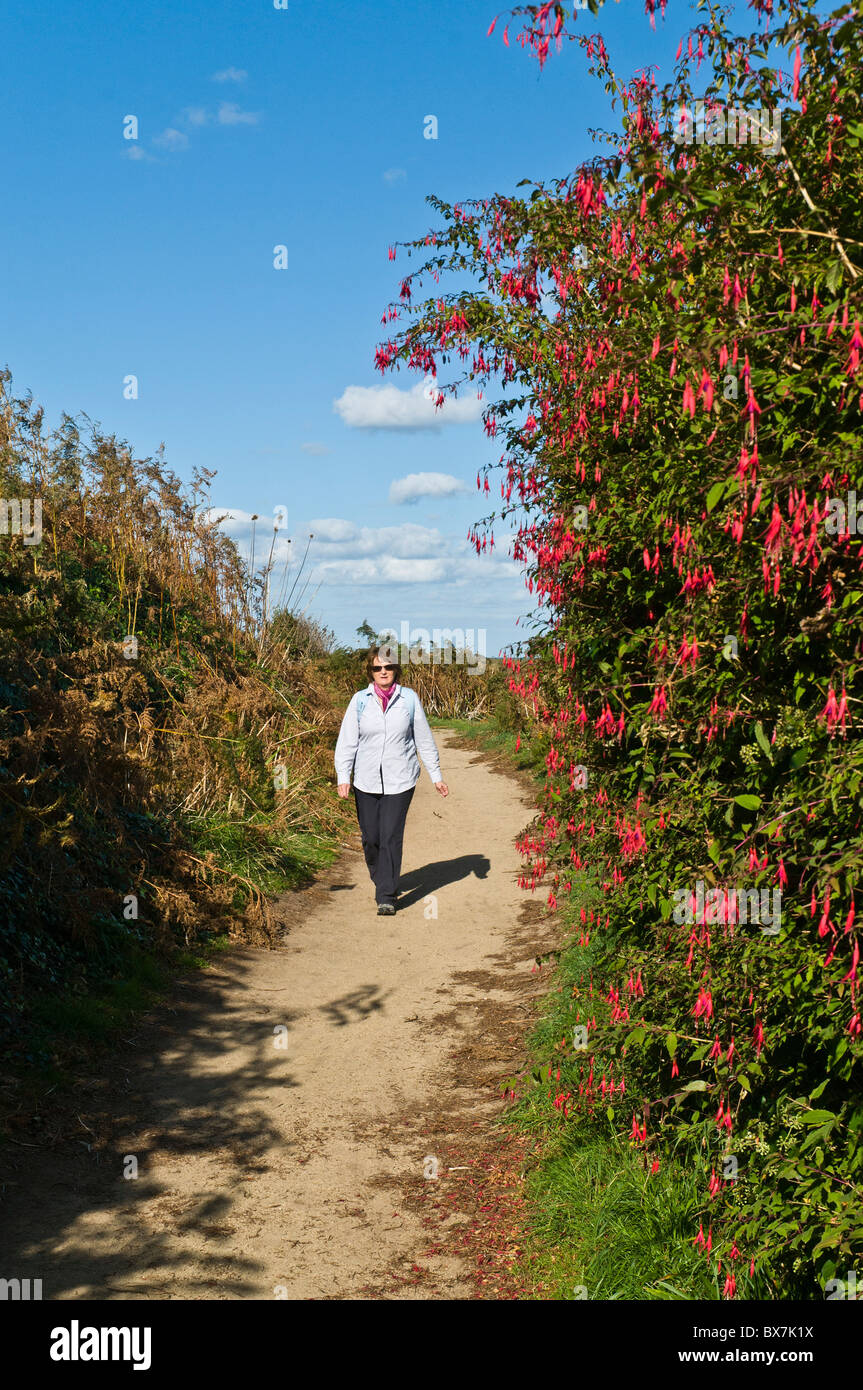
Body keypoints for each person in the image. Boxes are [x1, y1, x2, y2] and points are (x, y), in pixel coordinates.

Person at [335, 645, 449, 914]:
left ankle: (386, 895)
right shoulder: (359, 701)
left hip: (401, 780)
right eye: (377, 668)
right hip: (366, 779)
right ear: (371, 672)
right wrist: (344, 775)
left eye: (387, 667)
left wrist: (436, 775)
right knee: (371, 838)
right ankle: (382, 877)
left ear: (395, 669)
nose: (383, 671)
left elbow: (423, 739)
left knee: (390, 836)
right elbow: (347, 741)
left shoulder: (408, 699)